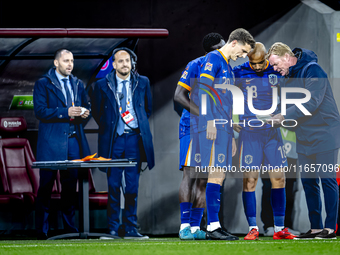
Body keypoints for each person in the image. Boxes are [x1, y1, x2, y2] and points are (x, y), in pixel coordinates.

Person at [267, 42, 340, 239]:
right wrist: (274, 112)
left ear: (286, 57)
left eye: (275, 64)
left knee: (327, 180)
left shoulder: (313, 70)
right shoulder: (288, 77)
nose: (274, 70)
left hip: (325, 133)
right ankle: (316, 227)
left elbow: (312, 102)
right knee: (308, 182)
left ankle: (331, 228)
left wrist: (282, 117)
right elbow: (285, 101)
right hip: (305, 135)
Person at [232, 42, 296, 240]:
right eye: (253, 63)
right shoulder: (238, 72)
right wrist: (231, 120)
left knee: (279, 178)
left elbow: (290, 94)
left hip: (272, 134)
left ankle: (279, 228)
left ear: (266, 58)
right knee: (250, 179)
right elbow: (224, 95)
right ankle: (253, 228)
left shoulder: (275, 70)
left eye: (261, 63)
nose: (258, 67)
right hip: (249, 133)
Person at [198, 28, 255, 240]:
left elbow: (226, 102)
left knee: (219, 176)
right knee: (214, 174)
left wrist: (231, 133)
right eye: (242, 50)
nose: (242, 56)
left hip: (225, 129)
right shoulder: (214, 57)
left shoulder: (228, 67)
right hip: (213, 127)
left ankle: (215, 224)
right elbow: (203, 89)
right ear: (234, 42)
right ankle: (212, 227)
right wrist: (210, 120)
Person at [92, 47, 154, 239]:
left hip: (134, 140)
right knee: (113, 186)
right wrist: (111, 127)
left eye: (127, 60)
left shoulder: (142, 82)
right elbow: (97, 112)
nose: (124, 64)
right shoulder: (102, 85)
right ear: (114, 64)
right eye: (120, 61)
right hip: (114, 141)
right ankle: (112, 228)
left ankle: (130, 228)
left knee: (133, 187)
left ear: (131, 63)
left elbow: (147, 110)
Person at [33, 48, 91, 240]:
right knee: (46, 187)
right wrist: (66, 112)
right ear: (56, 63)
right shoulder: (43, 83)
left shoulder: (77, 83)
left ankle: (70, 230)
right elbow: (40, 111)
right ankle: (42, 230)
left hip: (73, 141)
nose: (70, 65)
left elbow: (86, 106)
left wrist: (84, 113)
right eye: (66, 61)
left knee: (69, 189)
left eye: (72, 61)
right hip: (51, 143)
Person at [174, 33, 225, 240]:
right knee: (190, 175)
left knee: (204, 179)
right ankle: (184, 226)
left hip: (211, 130)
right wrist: (204, 115)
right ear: (210, 51)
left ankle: (195, 228)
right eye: (219, 48)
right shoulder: (195, 65)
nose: (223, 52)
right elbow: (178, 96)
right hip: (192, 126)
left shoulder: (225, 69)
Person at [261, 127, 300, 237]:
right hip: (269, 148)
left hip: (291, 152)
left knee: (289, 189)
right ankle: (269, 225)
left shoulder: (291, 109)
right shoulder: (267, 109)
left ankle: (286, 225)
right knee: (268, 187)